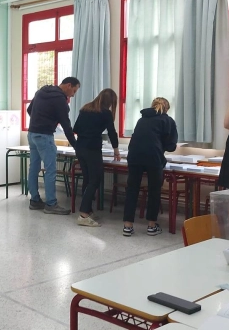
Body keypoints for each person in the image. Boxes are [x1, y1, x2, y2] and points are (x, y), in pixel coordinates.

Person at [123, 97, 177, 237]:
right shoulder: (167, 121)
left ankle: (127, 226)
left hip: (134, 156)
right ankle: (151, 226)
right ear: (166, 108)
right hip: (153, 158)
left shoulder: (142, 119)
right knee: (154, 190)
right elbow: (171, 146)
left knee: (132, 190)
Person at [26, 77, 80, 214]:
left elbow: (29, 110)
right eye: (74, 91)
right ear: (69, 85)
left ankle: (35, 200)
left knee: (34, 168)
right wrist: (76, 146)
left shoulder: (41, 91)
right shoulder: (60, 99)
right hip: (45, 136)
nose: (73, 95)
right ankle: (51, 204)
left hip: (32, 134)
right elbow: (66, 126)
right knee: (50, 170)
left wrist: (39, 120)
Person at [72, 89, 120, 227]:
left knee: (87, 179)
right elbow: (111, 132)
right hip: (92, 149)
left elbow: (76, 128)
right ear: (110, 102)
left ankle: (87, 210)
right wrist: (116, 150)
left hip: (80, 147)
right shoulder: (105, 113)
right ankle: (83, 215)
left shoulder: (85, 108)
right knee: (95, 180)